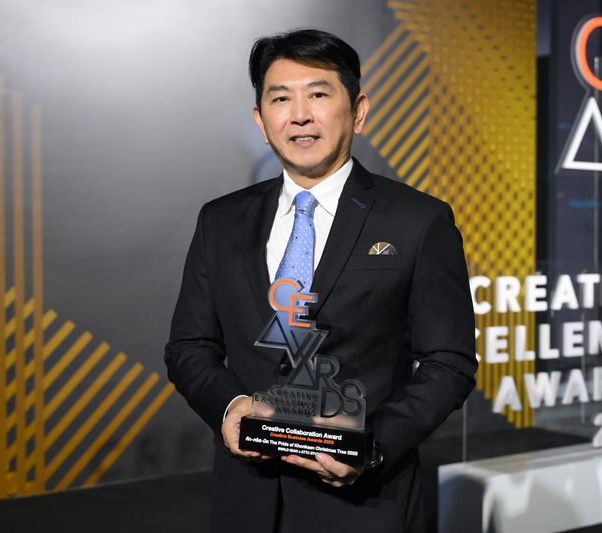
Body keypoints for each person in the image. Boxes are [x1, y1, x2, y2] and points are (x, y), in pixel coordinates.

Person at [164, 28, 477, 533]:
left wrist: (372, 445)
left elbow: (449, 363)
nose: (300, 115)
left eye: (318, 94)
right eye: (280, 98)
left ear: (358, 111)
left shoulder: (417, 221)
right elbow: (189, 346)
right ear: (261, 121)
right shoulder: (220, 221)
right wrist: (230, 407)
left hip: (365, 504)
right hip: (247, 499)